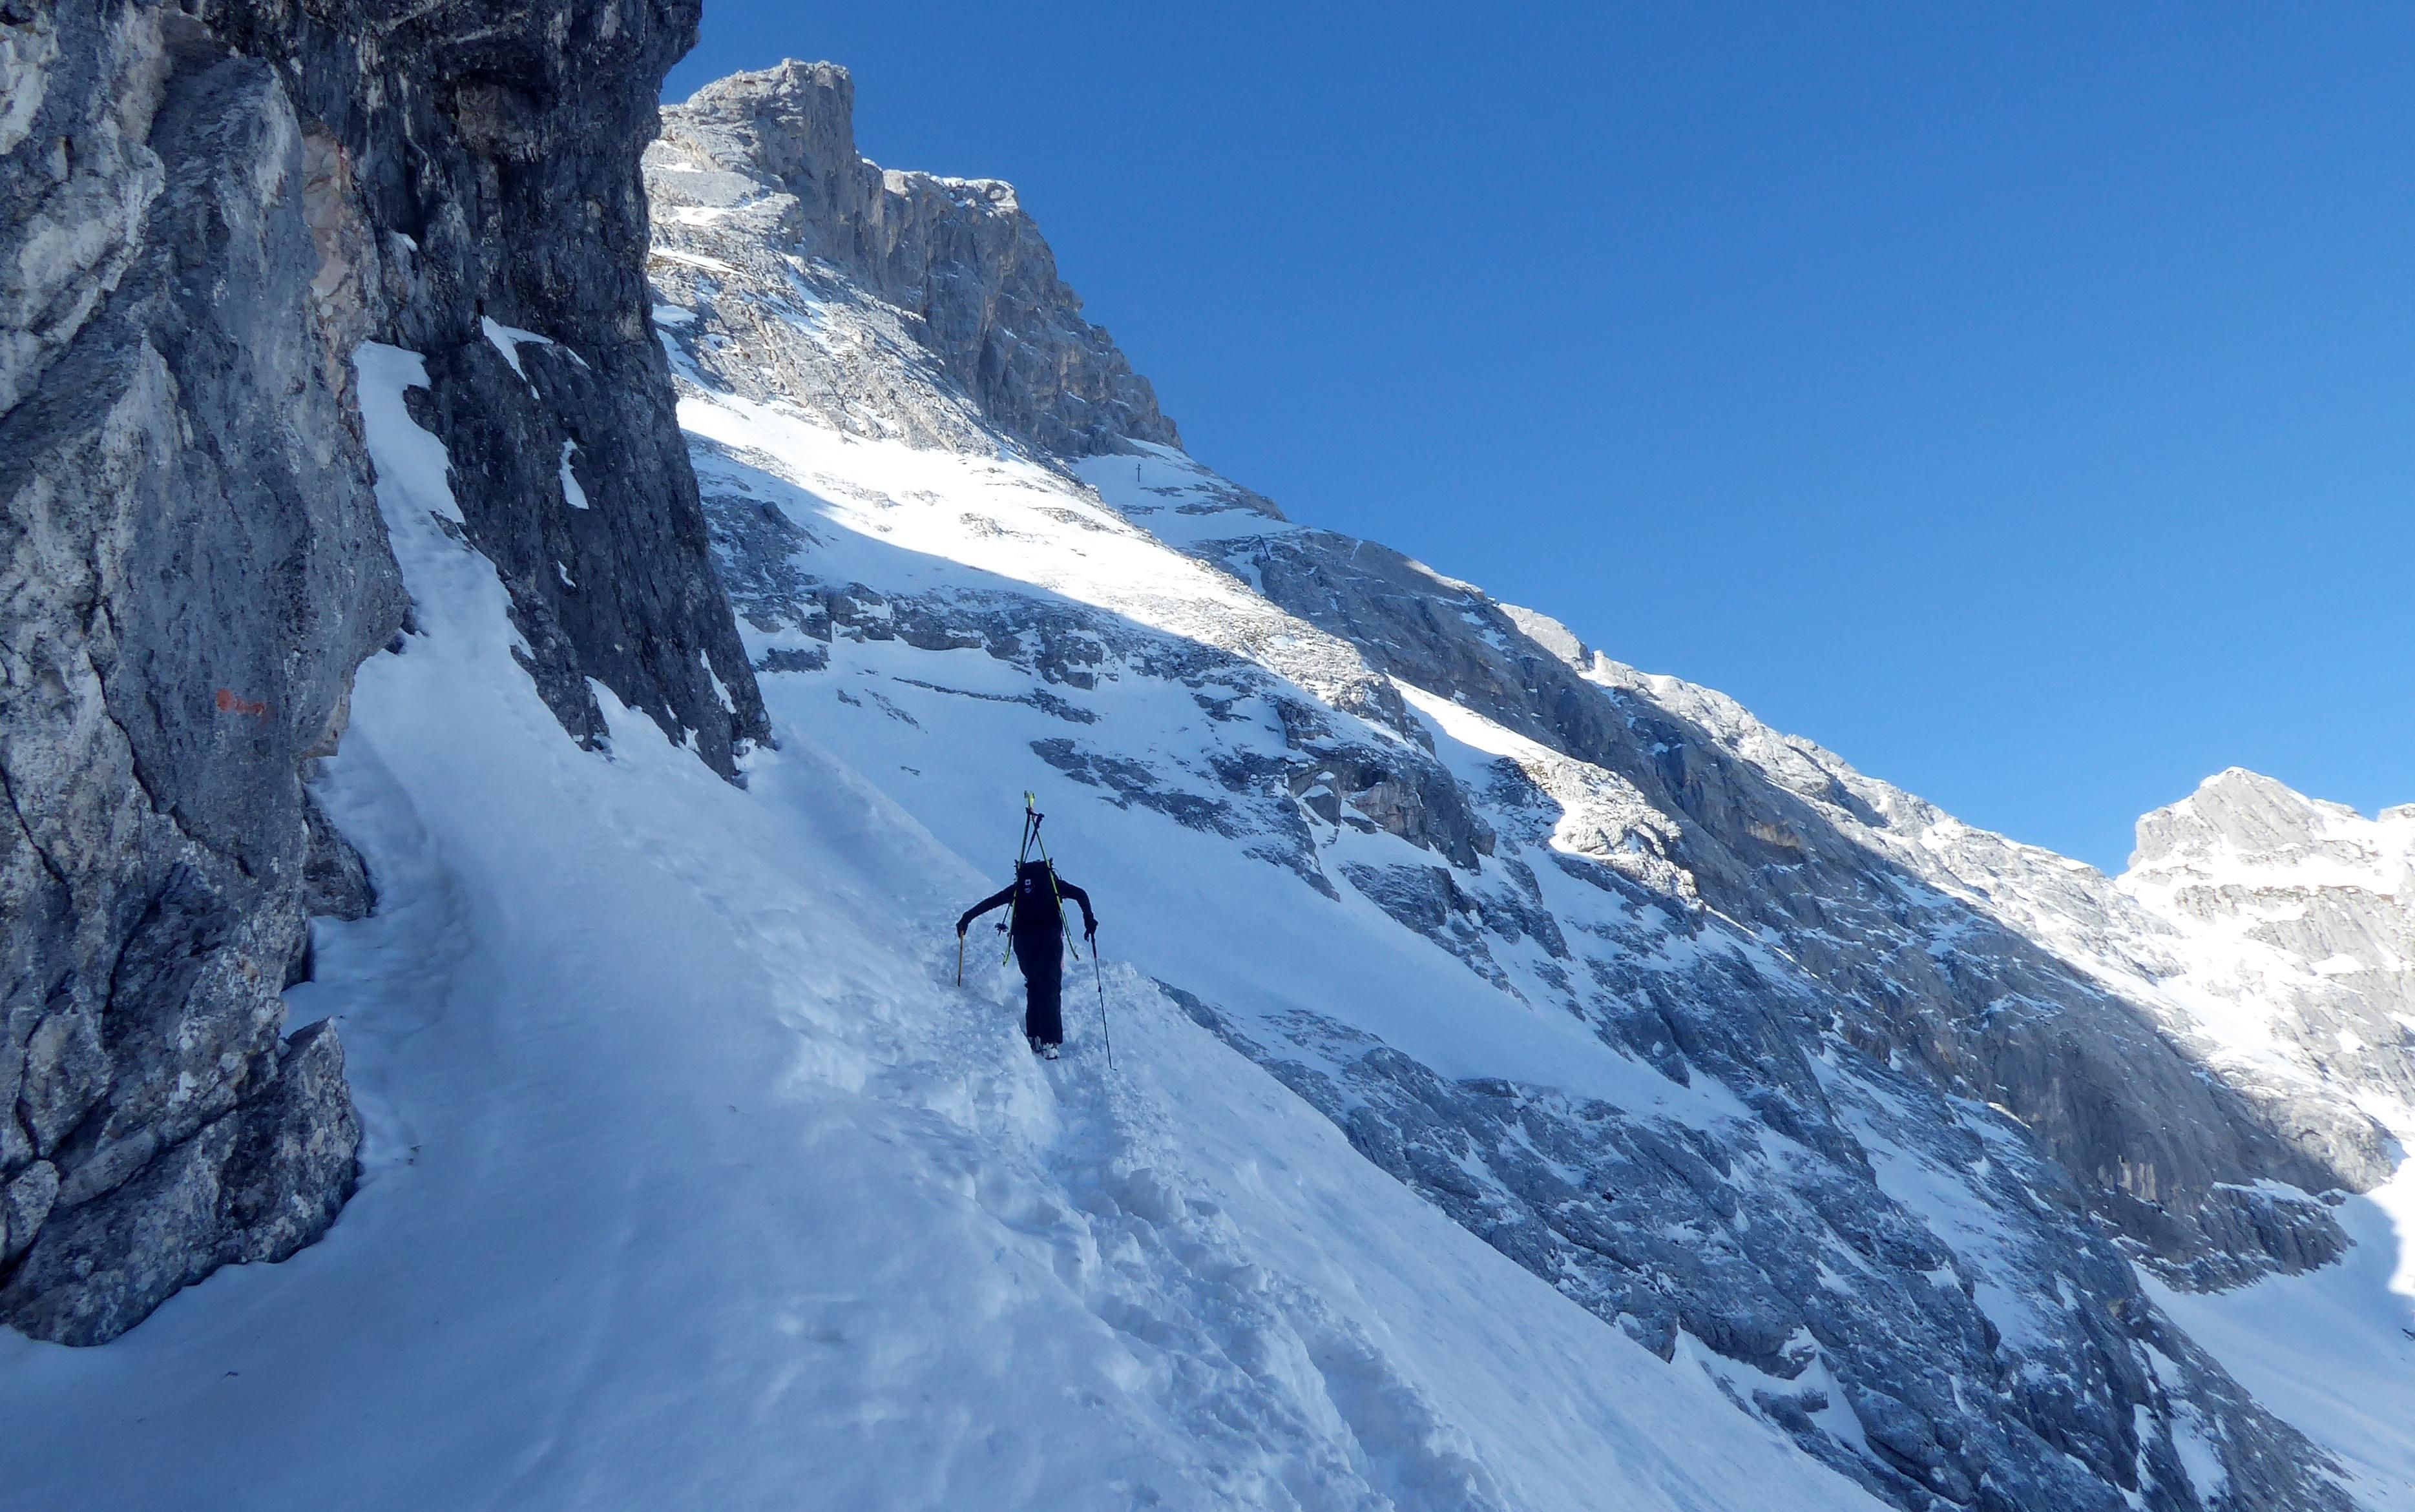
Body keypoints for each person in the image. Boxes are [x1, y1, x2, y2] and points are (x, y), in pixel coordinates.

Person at [958, 860, 1097, 1058]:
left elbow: (991, 902)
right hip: (1049, 936)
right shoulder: (1054, 885)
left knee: (1034, 984)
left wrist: (966, 918)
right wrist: (1089, 919)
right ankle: (1050, 1041)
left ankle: (1035, 1035)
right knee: (1050, 986)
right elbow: (1081, 894)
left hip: (1023, 941)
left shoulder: (1018, 889)